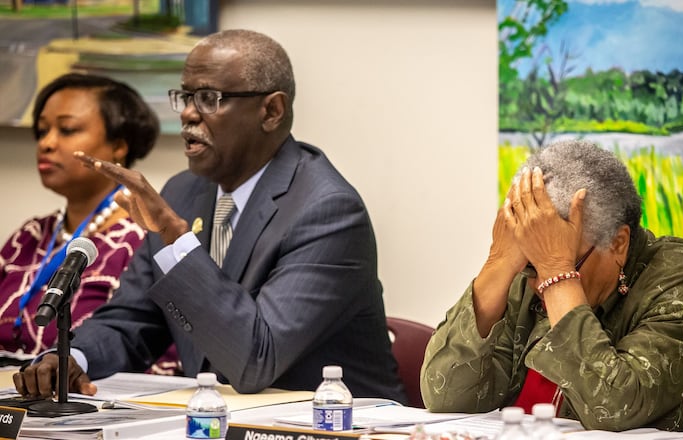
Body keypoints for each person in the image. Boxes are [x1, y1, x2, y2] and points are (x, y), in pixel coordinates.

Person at [13, 29, 406, 403]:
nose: (187, 114)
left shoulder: (327, 210)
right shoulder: (183, 192)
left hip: (333, 428)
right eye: (185, 96)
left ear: (271, 110)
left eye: (209, 98)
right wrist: (73, 360)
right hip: (216, 420)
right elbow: (134, 320)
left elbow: (255, 360)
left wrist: (176, 239)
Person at [420, 140, 683, 431]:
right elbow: (446, 396)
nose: (541, 285)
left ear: (618, 243)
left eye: (559, 259)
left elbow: (614, 408)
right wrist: (499, 262)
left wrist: (559, 271)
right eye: (532, 263)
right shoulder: (530, 274)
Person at [0, 73, 159, 361]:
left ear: (119, 147)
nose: (46, 143)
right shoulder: (31, 235)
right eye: (42, 130)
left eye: (68, 129)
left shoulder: (144, 239)